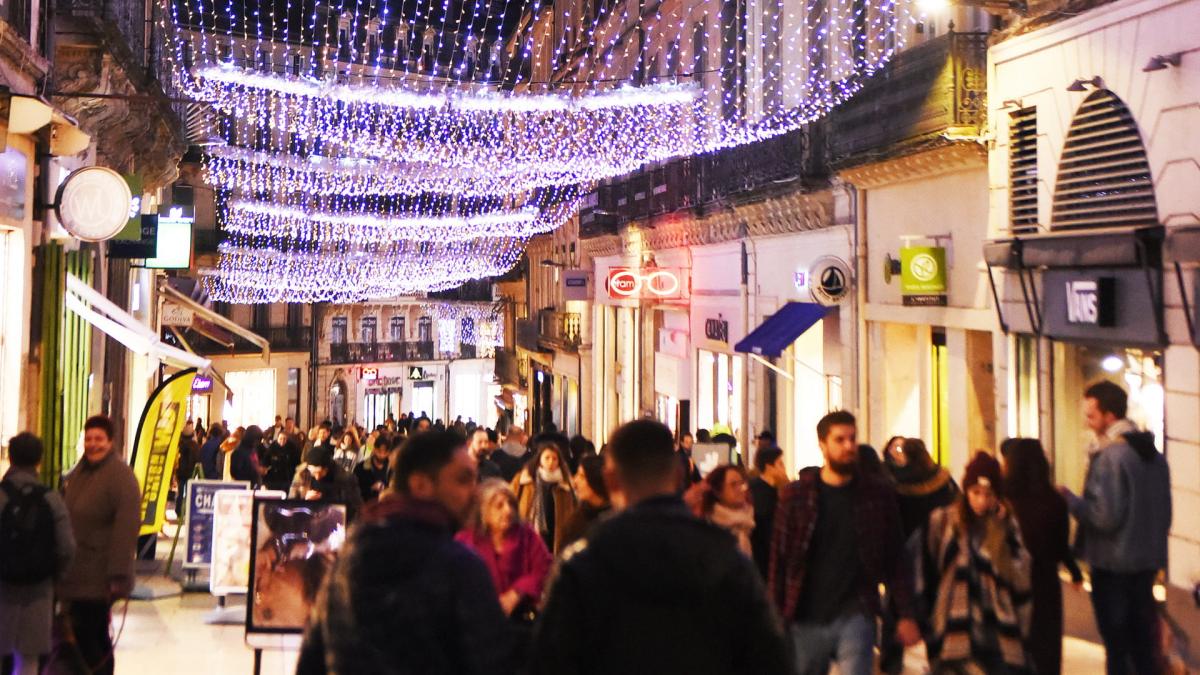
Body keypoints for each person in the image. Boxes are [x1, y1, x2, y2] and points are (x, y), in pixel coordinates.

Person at [530, 420, 791, 675]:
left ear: (610, 480)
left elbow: (550, 660)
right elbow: (769, 658)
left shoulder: (583, 563)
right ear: (679, 475)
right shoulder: (725, 558)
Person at [295, 430, 514, 674]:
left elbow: (313, 659)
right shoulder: (461, 568)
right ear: (420, 485)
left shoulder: (350, 557)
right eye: (463, 480)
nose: (475, 492)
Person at [768, 411, 919, 675]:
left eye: (852, 438)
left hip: (856, 613)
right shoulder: (796, 496)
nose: (849, 446)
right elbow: (779, 559)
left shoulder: (876, 494)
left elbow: (895, 556)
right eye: (840, 440)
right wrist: (773, 616)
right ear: (822, 445)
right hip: (806, 617)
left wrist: (906, 613)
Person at [1061, 381, 1171, 675]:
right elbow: (1165, 512)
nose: (1086, 422)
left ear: (1110, 416)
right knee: (1143, 645)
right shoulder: (1152, 454)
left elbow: (1104, 517)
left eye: (1091, 416)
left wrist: (1071, 500)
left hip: (1113, 564)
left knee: (1118, 646)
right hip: (1146, 562)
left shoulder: (1112, 457)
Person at [916, 451, 1033, 673]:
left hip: (997, 629)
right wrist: (924, 618)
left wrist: (1001, 534)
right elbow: (925, 569)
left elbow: (1021, 575)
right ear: (966, 490)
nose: (981, 500)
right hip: (952, 625)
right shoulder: (944, 522)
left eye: (989, 494)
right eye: (975, 492)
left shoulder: (1007, 525)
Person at [58, 415, 141, 675]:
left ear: (111, 441)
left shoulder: (120, 477)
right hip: (74, 573)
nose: (93, 444)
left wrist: (118, 575)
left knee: (93, 637)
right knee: (80, 636)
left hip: (99, 577)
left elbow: (126, 529)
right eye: (89, 438)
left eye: (99, 439)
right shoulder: (79, 473)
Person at [1001, 438, 1082, 675]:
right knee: (1045, 648)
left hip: (1011, 583)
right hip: (1045, 584)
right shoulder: (1054, 501)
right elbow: (1061, 546)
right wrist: (1074, 570)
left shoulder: (1005, 502)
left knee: (1013, 646)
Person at [0, 433, 76, 675]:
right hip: (39, 590)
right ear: (39, 461)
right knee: (29, 659)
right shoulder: (51, 499)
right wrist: (56, 577)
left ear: (10, 458)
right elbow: (67, 547)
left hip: (2, 588)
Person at [455, 479, 552, 623]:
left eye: (511, 504)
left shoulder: (527, 534)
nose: (508, 510)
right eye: (499, 506)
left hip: (520, 620)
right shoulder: (466, 541)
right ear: (484, 511)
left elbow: (545, 567)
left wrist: (518, 592)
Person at [512, 440, 578, 554]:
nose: (551, 462)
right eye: (547, 458)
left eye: (554, 458)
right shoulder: (524, 481)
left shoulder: (566, 485)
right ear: (539, 460)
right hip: (530, 534)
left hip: (558, 539)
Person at [885, 437, 959, 539]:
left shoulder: (900, 483)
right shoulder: (942, 476)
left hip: (911, 539)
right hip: (940, 535)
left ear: (907, 455)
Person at [290, 444, 364, 521]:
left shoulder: (345, 478)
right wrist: (305, 500)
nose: (317, 477)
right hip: (308, 521)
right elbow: (290, 504)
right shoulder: (301, 475)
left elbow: (357, 508)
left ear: (327, 468)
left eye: (320, 472)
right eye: (313, 472)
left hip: (335, 522)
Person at [696, 465, 754, 558]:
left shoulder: (749, 521)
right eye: (733, 485)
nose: (740, 489)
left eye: (742, 483)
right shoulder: (710, 525)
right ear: (718, 492)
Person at [557, 455, 612, 550]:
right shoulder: (576, 520)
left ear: (596, 480)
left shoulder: (616, 520)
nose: (575, 481)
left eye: (582, 476)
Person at [748, 446, 786, 577]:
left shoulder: (774, 489)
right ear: (770, 467)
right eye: (780, 464)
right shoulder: (759, 491)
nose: (784, 468)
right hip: (761, 558)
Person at [354, 435, 391, 503]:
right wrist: (370, 488)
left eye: (385, 452)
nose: (382, 455)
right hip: (367, 505)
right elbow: (354, 489)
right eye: (379, 451)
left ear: (388, 452)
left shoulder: (391, 468)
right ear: (374, 449)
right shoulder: (361, 468)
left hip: (386, 507)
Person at [174, 422, 201, 514]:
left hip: (180, 473)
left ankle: (179, 510)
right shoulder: (195, 446)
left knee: (180, 492)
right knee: (189, 493)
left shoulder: (179, 445)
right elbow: (198, 459)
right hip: (191, 473)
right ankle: (188, 511)